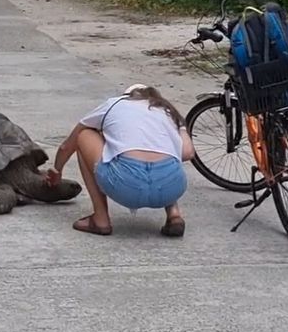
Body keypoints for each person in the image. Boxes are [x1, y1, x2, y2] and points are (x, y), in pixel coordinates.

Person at [48, 84, 194, 238]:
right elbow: (188, 152)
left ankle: (100, 219)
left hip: (126, 187)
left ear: (127, 96)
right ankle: (174, 215)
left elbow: (66, 146)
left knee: (83, 135)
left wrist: (57, 171)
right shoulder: (167, 111)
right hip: (171, 188)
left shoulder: (114, 104)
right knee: (166, 153)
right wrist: (179, 130)